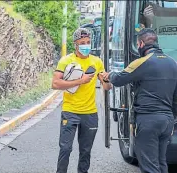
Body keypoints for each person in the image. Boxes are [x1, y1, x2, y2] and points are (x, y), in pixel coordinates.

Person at [100, 28, 177, 173]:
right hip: (167, 121)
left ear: (141, 44)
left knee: (149, 166)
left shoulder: (141, 62)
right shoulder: (173, 63)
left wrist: (108, 75)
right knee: (161, 163)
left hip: (148, 121)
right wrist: (172, 119)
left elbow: (119, 79)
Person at [52, 28, 112, 173]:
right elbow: (55, 84)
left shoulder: (96, 61)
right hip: (70, 111)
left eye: (88, 42)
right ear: (76, 44)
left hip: (90, 113)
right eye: (82, 43)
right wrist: (81, 80)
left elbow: (107, 87)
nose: (86, 45)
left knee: (85, 151)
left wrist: (106, 80)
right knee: (65, 149)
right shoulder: (66, 61)